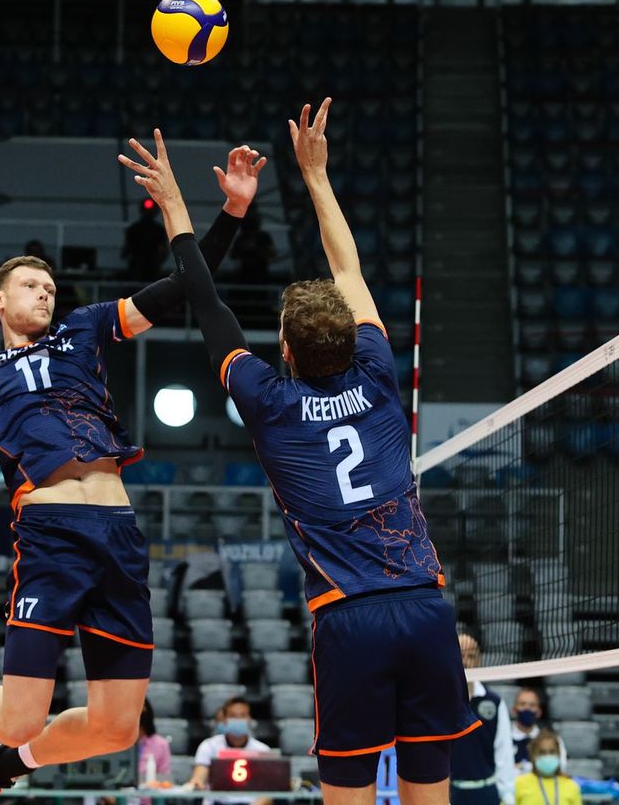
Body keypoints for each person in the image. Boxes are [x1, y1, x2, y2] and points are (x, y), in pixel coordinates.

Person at [0, 146, 264, 804]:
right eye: (29, 283)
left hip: (120, 531)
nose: (44, 289)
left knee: (116, 728)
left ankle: (0, 768)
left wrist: (232, 211)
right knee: (19, 712)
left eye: (49, 284)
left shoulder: (83, 331)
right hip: (51, 529)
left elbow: (187, 284)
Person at [118, 98, 477, 804]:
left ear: (283, 350)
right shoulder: (378, 378)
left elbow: (206, 301)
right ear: (351, 338)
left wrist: (183, 211)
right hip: (427, 607)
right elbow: (349, 273)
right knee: (429, 790)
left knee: (343, 789)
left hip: (348, 616)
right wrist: (315, 176)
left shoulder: (269, 400)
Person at [450, 634, 516, 805]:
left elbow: (503, 750)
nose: (465, 661)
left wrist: (507, 794)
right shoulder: (441, 699)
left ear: (478, 660)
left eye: (471, 656)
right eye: (460, 655)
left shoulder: (493, 702)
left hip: (485, 793)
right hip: (449, 792)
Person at [185, 697, 272, 805]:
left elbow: (269, 792)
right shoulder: (209, 746)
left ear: (249, 719)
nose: (238, 720)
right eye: (233, 716)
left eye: (243, 715)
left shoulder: (262, 750)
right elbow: (199, 775)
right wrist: (197, 782)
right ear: (225, 720)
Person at [515, 730, 581, 805]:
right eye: (542, 752)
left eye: (552, 752)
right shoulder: (518, 784)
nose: (547, 756)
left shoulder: (571, 786)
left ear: (559, 754)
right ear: (533, 755)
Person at [511, 688, 565, 774]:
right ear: (514, 710)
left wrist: (522, 767)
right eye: (522, 704)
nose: (527, 708)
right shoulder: (502, 739)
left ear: (539, 712)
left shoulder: (553, 740)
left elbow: (560, 768)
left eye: (532, 705)